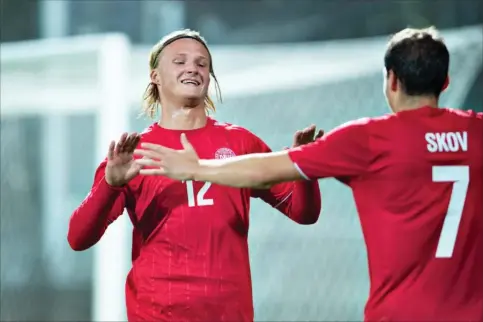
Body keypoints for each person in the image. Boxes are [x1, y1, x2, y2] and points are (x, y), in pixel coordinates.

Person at [135, 27, 483, 322]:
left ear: (391, 80)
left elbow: (266, 170)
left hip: (398, 313)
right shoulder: (477, 132)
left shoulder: (368, 138)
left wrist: (197, 168)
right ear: (447, 80)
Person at [67, 29, 322, 322]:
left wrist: (305, 168)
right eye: (180, 61)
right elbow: (77, 238)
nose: (193, 68)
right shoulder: (134, 154)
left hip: (229, 314)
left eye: (202, 64)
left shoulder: (241, 144)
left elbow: (303, 213)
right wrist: (109, 186)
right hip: (155, 314)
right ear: (155, 76)